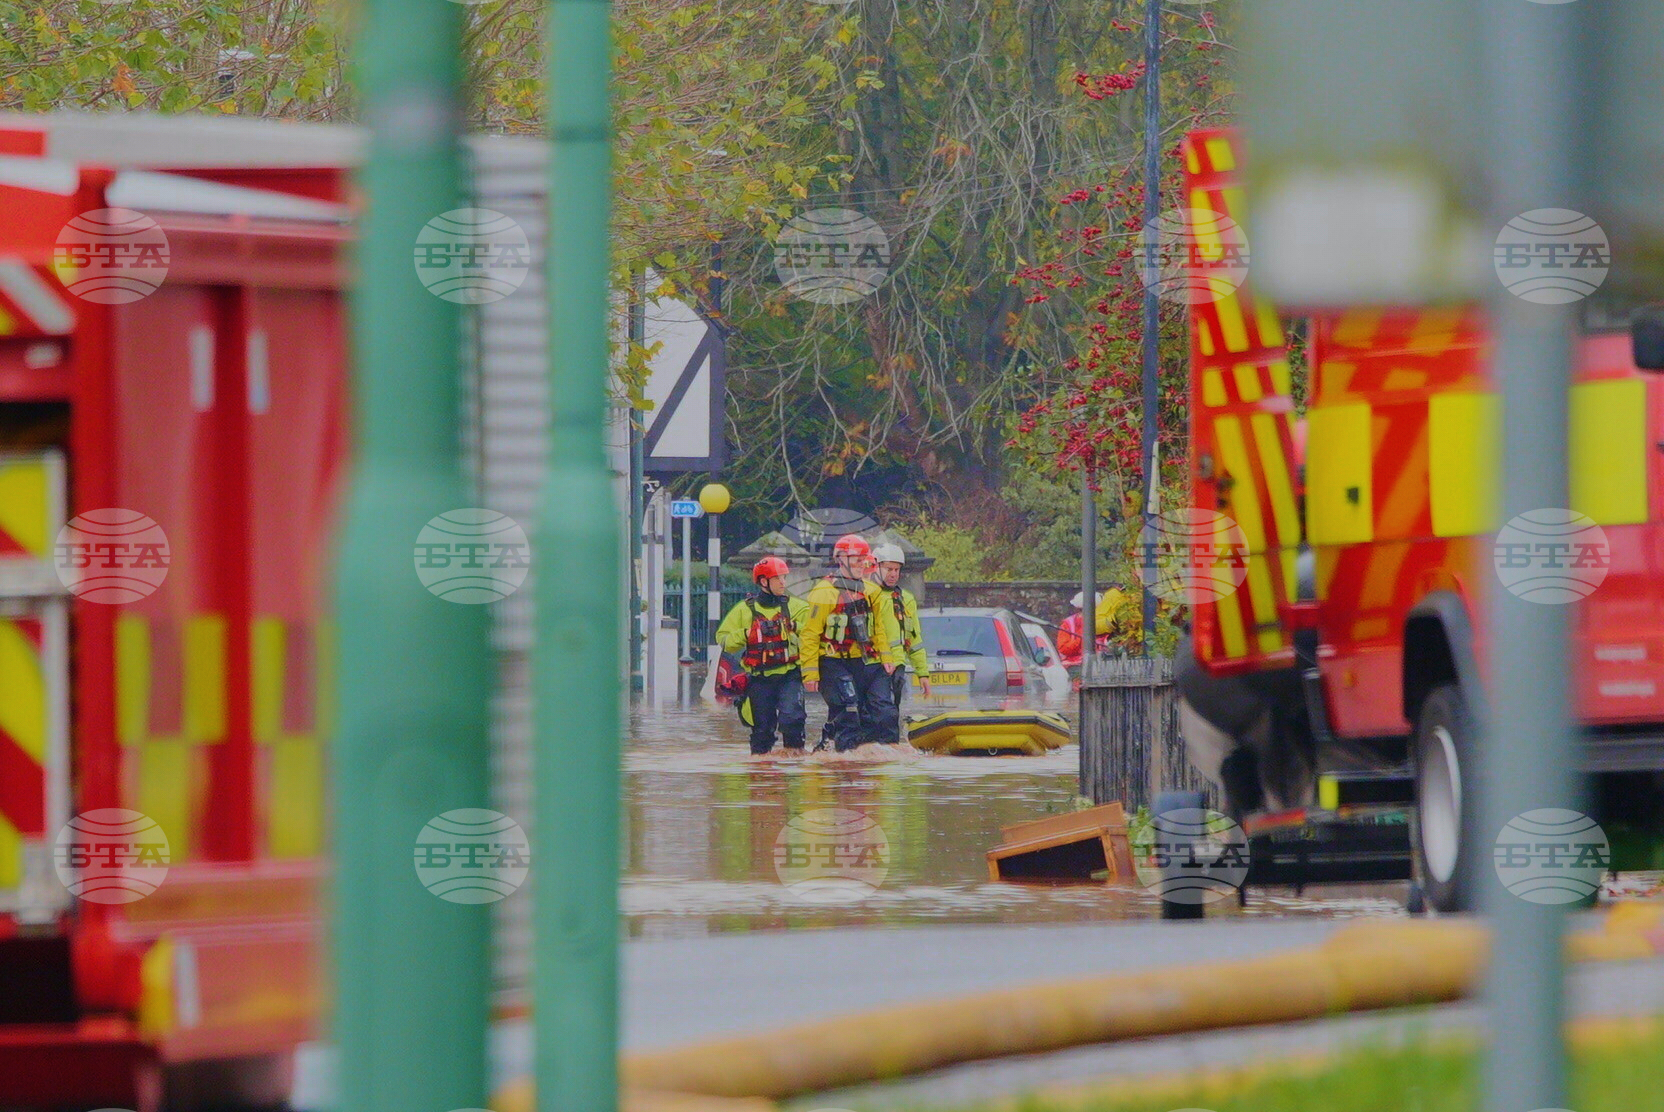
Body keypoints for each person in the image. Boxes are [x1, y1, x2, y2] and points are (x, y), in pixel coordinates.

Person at [800, 534, 902, 751]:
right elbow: (810, 635)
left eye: (864, 558)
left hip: (867, 660)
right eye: (856, 558)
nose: (861, 563)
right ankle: (843, 761)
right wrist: (810, 674)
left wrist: (887, 657)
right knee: (848, 710)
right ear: (841, 559)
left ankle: (887, 758)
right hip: (834, 662)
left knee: (885, 711)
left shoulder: (872, 591)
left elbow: (878, 630)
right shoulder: (823, 592)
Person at [715, 556, 811, 755]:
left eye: (784, 578)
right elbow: (722, 639)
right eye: (778, 578)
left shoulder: (798, 608)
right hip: (759, 678)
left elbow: (813, 634)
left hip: (790, 675)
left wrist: (795, 627)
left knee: (792, 719)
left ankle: (795, 765)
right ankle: (761, 775)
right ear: (764, 582)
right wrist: (745, 634)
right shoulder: (744, 610)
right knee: (761, 731)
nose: (783, 582)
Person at [870, 542, 928, 738]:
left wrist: (923, 673)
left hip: (898, 666)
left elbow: (915, 639)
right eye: (888, 569)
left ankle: (890, 752)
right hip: (873, 665)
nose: (893, 574)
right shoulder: (868, 596)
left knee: (891, 712)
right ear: (876, 567)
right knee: (879, 713)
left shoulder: (906, 599)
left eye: (896, 569)